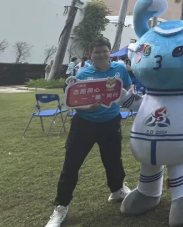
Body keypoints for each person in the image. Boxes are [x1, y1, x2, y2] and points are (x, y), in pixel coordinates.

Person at [45, 37, 133, 227]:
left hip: (110, 122)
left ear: (110, 52)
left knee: (113, 160)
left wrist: (128, 97)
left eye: (105, 51)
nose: (101, 54)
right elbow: (72, 102)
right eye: (97, 52)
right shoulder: (83, 74)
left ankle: (117, 190)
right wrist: (87, 108)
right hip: (84, 124)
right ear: (90, 55)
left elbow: (127, 87)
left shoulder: (120, 69)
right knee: (71, 165)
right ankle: (61, 206)